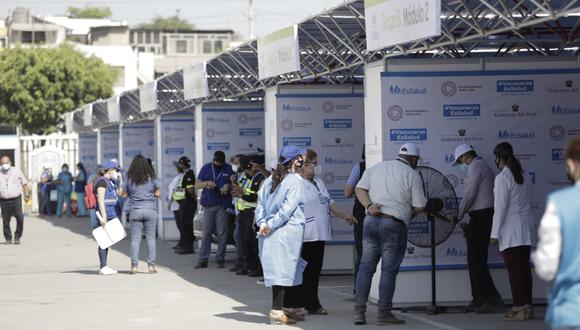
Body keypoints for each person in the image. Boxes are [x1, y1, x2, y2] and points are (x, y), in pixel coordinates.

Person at [353, 143, 427, 325]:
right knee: (388, 271)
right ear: (414, 159)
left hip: (370, 221)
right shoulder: (412, 174)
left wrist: (369, 206)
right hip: (393, 224)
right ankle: (384, 313)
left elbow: (358, 188)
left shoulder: (377, 167)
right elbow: (420, 206)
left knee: (365, 268)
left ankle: (359, 312)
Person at [291, 149, 356, 318]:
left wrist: (344, 215)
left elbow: (329, 203)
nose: (317, 167)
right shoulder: (295, 183)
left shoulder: (319, 182)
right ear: (304, 166)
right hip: (303, 234)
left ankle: (312, 304)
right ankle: (295, 304)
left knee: (314, 271)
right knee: (300, 272)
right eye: (314, 164)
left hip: (319, 234)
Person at [255, 145, 306, 325]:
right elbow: (288, 208)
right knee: (283, 272)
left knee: (286, 269)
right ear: (294, 161)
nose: (302, 161)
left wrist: (263, 223)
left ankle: (288, 307)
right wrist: (270, 225)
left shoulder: (269, 180)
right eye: (300, 158)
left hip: (270, 232)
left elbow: (259, 205)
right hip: (285, 232)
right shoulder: (294, 181)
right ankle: (277, 311)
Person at [534, 136, 580, 330]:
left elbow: (547, 268)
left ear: (570, 163)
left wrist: (536, 256)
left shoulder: (559, 203)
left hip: (572, 311)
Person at [451, 144, 503, 313]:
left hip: (482, 216)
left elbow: (470, 194)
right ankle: (479, 298)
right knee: (474, 260)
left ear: (466, 156)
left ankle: (492, 299)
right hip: (479, 217)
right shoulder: (477, 166)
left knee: (477, 260)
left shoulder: (477, 165)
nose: (460, 164)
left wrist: (458, 214)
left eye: (460, 160)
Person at [490, 142, 537, 320]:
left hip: (511, 230)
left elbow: (500, 208)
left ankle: (518, 308)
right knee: (524, 269)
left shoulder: (502, 178)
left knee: (514, 271)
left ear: (499, 158)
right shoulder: (524, 175)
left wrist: (494, 235)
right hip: (526, 228)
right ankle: (527, 307)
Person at [194, 151, 234, 269]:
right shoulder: (206, 168)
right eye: (216, 164)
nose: (218, 166)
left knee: (222, 233)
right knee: (206, 233)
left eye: (220, 164)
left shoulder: (228, 169)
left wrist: (228, 186)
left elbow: (234, 184)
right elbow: (196, 185)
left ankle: (220, 259)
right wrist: (206, 183)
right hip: (208, 205)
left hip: (222, 205)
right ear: (213, 160)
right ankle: (203, 260)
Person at [121, 155, 160, 275]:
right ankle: (151, 266)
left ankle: (134, 267)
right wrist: (149, 195)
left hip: (135, 211)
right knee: (151, 239)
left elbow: (123, 195)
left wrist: (133, 195)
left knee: (135, 240)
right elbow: (158, 193)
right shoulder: (151, 177)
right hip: (150, 210)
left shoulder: (129, 177)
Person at [232, 157, 266, 276]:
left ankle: (255, 268)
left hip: (251, 213)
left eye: (248, 170)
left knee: (252, 243)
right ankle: (248, 266)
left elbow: (252, 198)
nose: (247, 173)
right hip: (244, 213)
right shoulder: (251, 179)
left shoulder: (259, 178)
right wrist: (238, 190)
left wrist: (240, 194)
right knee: (246, 241)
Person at [344, 145, 366, 297]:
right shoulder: (384, 165)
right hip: (383, 214)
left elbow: (347, 193)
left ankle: (359, 290)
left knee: (362, 253)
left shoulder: (359, 167)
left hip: (362, 215)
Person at [94, 160, 122, 275]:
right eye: (115, 170)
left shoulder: (111, 182)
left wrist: (120, 182)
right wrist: (104, 217)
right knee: (103, 241)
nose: (117, 173)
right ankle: (103, 266)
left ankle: (104, 266)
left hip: (112, 214)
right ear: (110, 170)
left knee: (107, 241)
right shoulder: (101, 182)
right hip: (106, 215)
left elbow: (119, 194)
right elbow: (100, 200)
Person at [0, 156, 30, 245]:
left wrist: (27, 195)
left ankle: (17, 237)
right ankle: (8, 238)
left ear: (10, 163)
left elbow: (24, 184)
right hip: (3, 199)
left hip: (16, 198)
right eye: (2, 163)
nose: (4, 165)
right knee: (5, 220)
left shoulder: (17, 171)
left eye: (6, 163)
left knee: (20, 217)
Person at [173, 156, 197, 255]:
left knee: (187, 225)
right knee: (184, 224)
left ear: (183, 164)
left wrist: (195, 199)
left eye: (180, 164)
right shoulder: (185, 174)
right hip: (184, 203)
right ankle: (183, 245)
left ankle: (188, 247)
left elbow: (190, 189)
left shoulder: (189, 174)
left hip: (188, 203)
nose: (179, 166)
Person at [230, 154, 246, 272]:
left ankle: (242, 262)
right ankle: (241, 261)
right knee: (238, 237)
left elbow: (243, 192)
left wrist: (234, 185)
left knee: (240, 237)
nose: (234, 165)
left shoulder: (245, 176)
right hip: (237, 211)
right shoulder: (238, 175)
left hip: (244, 212)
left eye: (237, 163)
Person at [167, 162, 184, 251]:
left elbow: (176, 190)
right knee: (180, 225)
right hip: (175, 205)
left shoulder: (180, 177)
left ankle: (182, 243)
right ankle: (181, 242)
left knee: (181, 225)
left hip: (177, 204)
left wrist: (170, 202)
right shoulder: (177, 177)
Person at [88, 164, 103, 230]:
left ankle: (95, 223)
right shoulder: (99, 176)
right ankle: (96, 223)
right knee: (95, 209)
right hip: (94, 195)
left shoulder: (91, 176)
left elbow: (88, 184)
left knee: (94, 209)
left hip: (93, 195)